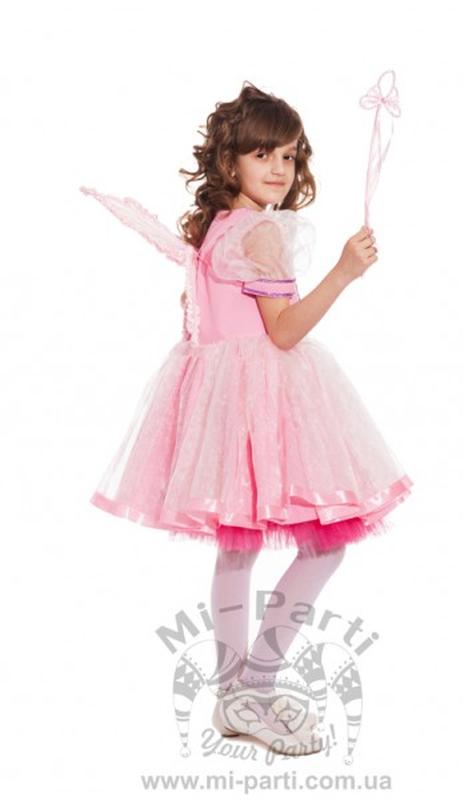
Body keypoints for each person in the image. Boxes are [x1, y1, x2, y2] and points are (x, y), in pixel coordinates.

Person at [80, 81, 413, 756]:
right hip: (260, 398)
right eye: (264, 154)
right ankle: (253, 684)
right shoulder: (260, 232)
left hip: (222, 401)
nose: (280, 169)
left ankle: (236, 694)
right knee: (323, 545)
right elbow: (283, 332)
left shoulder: (217, 229)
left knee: (239, 547)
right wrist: (344, 272)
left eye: (289, 156)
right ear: (230, 162)